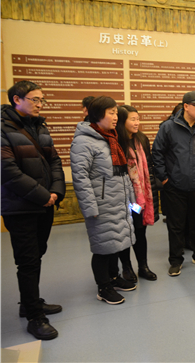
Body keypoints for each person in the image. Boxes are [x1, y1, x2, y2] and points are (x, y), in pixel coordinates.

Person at [1, 80, 65, 340]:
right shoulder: (3, 127)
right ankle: (34, 317)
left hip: (43, 204)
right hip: (20, 207)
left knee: (37, 254)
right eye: (35, 99)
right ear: (17, 99)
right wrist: (42, 196)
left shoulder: (39, 126)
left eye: (42, 100)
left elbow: (54, 160)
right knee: (27, 261)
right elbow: (7, 171)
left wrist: (56, 191)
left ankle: (30, 302)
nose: (40, 104)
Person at [70, 96, 137, 305]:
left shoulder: (111, 137)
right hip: (101, 204)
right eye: (111, 113)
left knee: (115, 243)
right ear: (98, 115)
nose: (116, 117)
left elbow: (121, 173)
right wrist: (90, 206)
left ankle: (114, 278)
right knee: (102, 247)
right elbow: (80, 176)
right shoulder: (84, 141)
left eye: (116, 113)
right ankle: (103, 287)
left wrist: (131, 200)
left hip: (118, 201)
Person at [152, 91, 195, 276]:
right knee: (176, 226)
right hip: (174, 186)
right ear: (186, 107)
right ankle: (175, 261)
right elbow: (157, 153)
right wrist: (164, 178)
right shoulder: (168, 127)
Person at [116, 105, 160, 282]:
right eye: (132, 119)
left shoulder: (141, 139)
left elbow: (148, 167)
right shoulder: (116, 141)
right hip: (125, 197)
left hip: (140, 199)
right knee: (125, 232)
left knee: (140, 231)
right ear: (122, 121)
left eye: (138, 119)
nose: (137, 123)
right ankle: (126, 268)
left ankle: (143, 266)